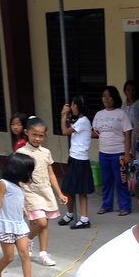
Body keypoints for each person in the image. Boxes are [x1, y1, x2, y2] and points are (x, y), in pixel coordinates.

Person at [0, 152, 38, 277]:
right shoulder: (3, 184)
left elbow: (19, 201)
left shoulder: (20, 185)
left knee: (25, 255)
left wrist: (24, 209)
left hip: (19, 225)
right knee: (8, 257)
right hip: (5, 225)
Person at [17, 116, 68, 266]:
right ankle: (28, 239)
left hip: (45, 191)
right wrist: (22, 200)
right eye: (34, 134)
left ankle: (43, 254)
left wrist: (59, 193)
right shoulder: (21, 152)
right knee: (41, 222)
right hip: (30, 192)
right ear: (26, 132)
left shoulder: (46, 152)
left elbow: (51, 174)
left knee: (44, 224)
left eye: (41, 135)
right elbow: (18, 178)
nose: (37, 138)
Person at [93, 85, 134, 216]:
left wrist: (127, 154)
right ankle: (106, 205)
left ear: (115, 98)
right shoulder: (99, 114)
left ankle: (125, 207)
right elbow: (96, 131)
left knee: (121, 181)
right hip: (104, 153)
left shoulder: (121, 114)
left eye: (109, 96)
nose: (106, 98)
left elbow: (128, 134)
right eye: (104, 95)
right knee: (106, 181)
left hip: (119, 153)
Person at [58, 95, 94, 230]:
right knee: (73, 189)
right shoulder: (81, 121)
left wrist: (63, 115)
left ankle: (82, 218)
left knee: (73, 189)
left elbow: (65, 131)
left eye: (73, 105)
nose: (71, 107)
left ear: (77, 107)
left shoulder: (83, 121)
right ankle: (71, 214)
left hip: (79, 159)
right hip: (76, 158)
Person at [122, 80, 139, 158]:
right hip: (127, 135)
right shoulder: (123, 106)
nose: (130, 92)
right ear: (125, 91)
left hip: (137, 134)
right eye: (128, 90)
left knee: (138, 155)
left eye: (133, 90)